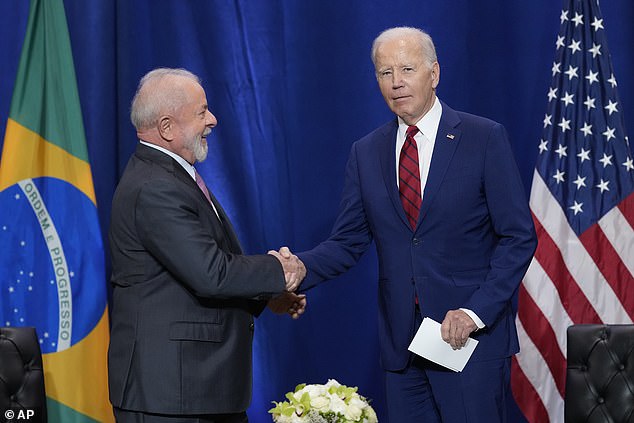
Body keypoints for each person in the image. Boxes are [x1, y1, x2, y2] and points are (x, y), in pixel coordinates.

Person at [283, 27, 537, 422]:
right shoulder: (366, 152)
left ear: (434, 73)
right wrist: (301, 267)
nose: (396, 82)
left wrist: (475, 311)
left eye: (407, 69)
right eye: (385, 73)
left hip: (468, 341)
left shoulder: (483, 138)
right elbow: (348, 241)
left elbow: (518, 237)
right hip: (403, 346)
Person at [108, 68, 305, 423]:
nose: (212, 119)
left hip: (198, 389)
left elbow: (200, 270)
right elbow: (211, 273)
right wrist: (282, 271)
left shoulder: (171, 175)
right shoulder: (155, 186)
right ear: (167, 127)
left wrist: (266, 295)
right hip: (170, 395)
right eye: (201, 111)